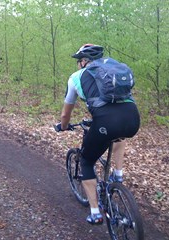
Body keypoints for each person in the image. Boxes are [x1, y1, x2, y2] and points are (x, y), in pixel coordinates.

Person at [55, 44, 140, 225]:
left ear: (84, 61)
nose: (78, 64)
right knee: (119, 135)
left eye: (79, 61)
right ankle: (118, 174)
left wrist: (63, 126)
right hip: (132, 118)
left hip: (106, 121)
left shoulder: (75, 77)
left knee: (86, 161)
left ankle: (95, 213)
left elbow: (65, 113)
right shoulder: (113, 71)